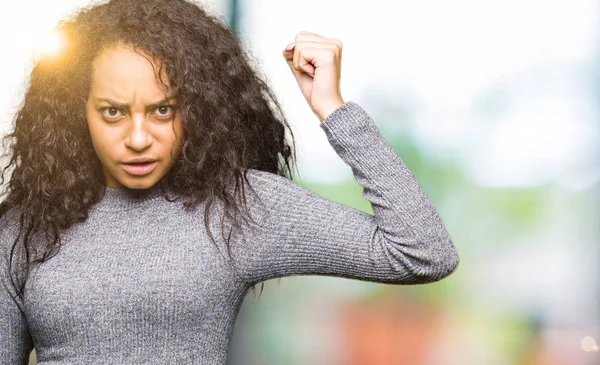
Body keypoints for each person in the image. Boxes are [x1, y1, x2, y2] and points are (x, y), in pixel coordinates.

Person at [0, 0, 460, 363]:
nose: (138, 138)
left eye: (163, 110)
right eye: (113, 112)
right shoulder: (23, 229)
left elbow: (423, 253)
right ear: (77, 114)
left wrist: (333, 109)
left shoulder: (235, 208)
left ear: (195, 108)